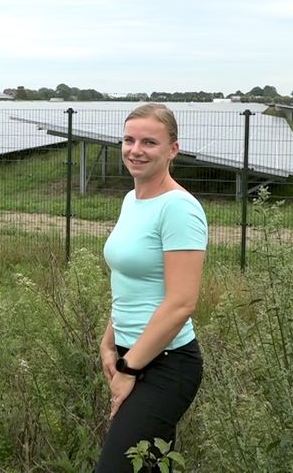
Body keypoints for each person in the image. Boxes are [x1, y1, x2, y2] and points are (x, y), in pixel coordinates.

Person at [95, 103, 206, 473]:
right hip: (132, 353)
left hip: (166, 364)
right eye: (128, 140)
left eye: (149, 142)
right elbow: (131, 281)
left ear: (172, 149)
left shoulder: (179, 208)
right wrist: (109, 340)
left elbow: (181, 303)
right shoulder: (132, 199)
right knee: (149, 468)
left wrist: (128, 368)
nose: (135, 150)